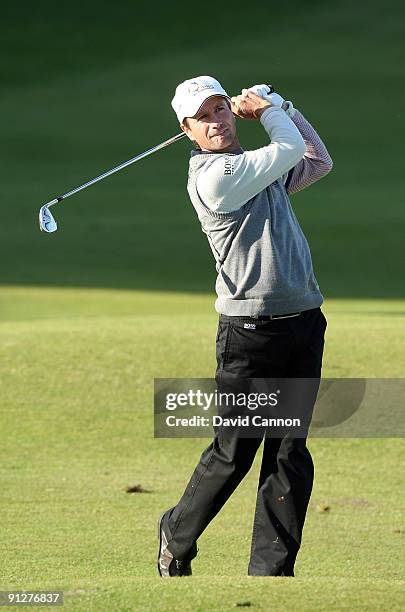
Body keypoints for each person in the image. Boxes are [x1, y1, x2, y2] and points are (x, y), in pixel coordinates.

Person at [157, 75, 333, 577]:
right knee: (235, 451)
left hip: (303, 322)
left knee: (288, 452)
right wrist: (271, 107)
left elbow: (315, 158)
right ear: (187, 130)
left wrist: (283, 105)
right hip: (249, 333)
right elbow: (288, 145)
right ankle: (176, 534)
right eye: (203, 117)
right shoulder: (218, 177)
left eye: (221, 110)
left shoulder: (261, 170)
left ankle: (273, 573)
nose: (215, 122)